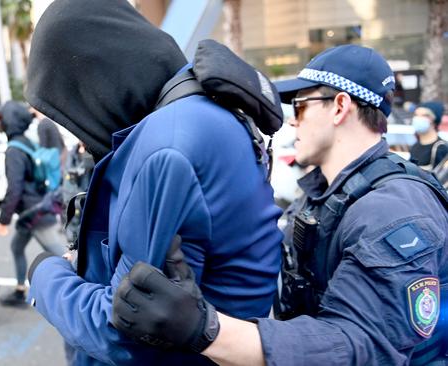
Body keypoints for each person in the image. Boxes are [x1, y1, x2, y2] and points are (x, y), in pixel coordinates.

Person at [111, 45, 448, 366]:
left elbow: (360, 347)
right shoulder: (326, 195)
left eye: (299, 106)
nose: (292, 122)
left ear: (340, 106)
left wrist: (205, 329)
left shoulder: (393, 209)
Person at [24, 1, 283, 364]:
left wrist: (44, 274)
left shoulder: (167, 145)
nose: (81, 142)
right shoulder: (202, 115)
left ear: (96, 81)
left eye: (73, 114)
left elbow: (124, 331)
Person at [0, 101, 66, 307]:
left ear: (9, 121)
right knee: (17, 247)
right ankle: (19, 290)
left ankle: (86, 290)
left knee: (61, 254)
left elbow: (14, 188)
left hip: (34, 213)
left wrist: (3, 219)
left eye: (1, 118)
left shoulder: (14, 150)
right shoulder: (26, 142)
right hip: (35, 209)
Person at [410, 101, 447, 170]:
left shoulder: (441, 148)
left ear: (435, 119)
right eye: (416, 115)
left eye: (425, 115)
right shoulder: (415, 146)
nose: (418, 118)